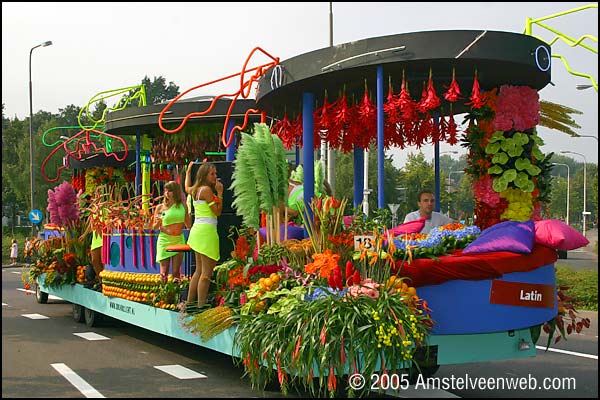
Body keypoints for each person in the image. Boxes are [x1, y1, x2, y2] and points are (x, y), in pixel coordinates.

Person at [184, 161, 223, 311]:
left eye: (215, 174)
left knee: (198, 270)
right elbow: (217, 211)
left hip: (197, 230)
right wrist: (220, 193)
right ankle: (200, 306)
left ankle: (190, 303)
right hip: (206, 232)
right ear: (204, 175)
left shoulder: (195, 189)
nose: (215, 177)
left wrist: (188, 172)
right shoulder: (206, 190)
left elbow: (186, 187)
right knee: (206, 273)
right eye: (212, 174)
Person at [152, 181, 191, 283]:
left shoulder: (183, 206)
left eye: (170, 190)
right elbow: (154, 227)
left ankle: (176, 296)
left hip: (178, 239)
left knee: (175, 272)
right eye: (165, 190)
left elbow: (188, 224)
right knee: (163, 273)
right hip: (164, 239)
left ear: (176, 192)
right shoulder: (160, 208)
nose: (167, 193)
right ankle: (164, 295)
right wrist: (158, 223)